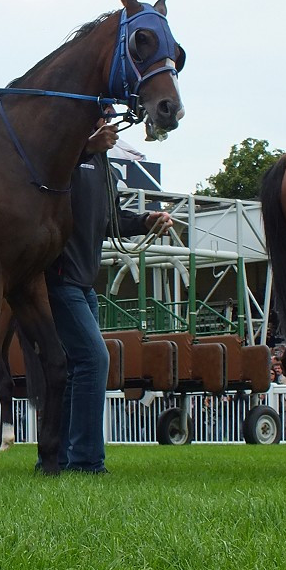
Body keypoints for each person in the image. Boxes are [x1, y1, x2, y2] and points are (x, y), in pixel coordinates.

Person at [45, 120, 173, 474]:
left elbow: (110, 220)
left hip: (84, 281)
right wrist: (86, 147)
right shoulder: (65, 153)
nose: (110, 123)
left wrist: (147, 220)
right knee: (94, 360)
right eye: (103, 115)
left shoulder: (104, 166)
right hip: (60, 277)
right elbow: (46, 181)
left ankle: (64, 458)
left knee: (80, 366)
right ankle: (85, 462)